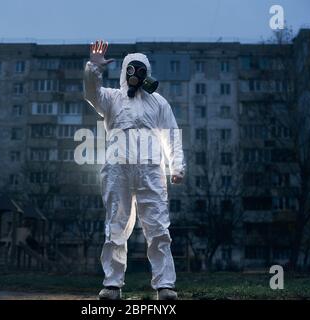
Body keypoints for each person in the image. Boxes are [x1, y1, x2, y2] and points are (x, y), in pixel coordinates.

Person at [83, 40, 185, 300]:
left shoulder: (158, 102)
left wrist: (177, 165)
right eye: (132, 68)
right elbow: (91, 93)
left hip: (151, 169)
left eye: (141, 69)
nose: (136, 74)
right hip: (118, 169)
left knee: (158, 227)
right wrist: (94, 69)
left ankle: (165, 285)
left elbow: (171, 134)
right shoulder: (112, 98)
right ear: (125, 71)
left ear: (146, 72)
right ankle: (112, 284)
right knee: (116, 225)